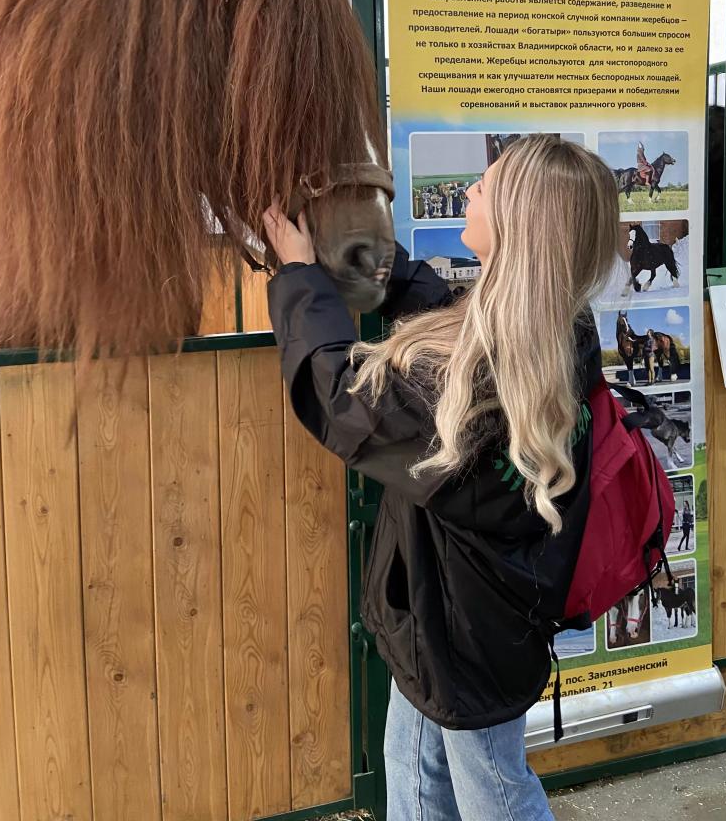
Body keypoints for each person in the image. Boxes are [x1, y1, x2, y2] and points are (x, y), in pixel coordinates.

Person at [262, 135, 619, 821]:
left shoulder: (485, 374)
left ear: (521, 223)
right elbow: (449, 321)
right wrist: (387, 269)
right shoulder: (554, 329)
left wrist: (302, 276)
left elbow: (344, 402)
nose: (469, 191)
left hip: (464, 630)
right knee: (416, 769)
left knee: (494, 791)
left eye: (485, 187)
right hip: (456, 616)